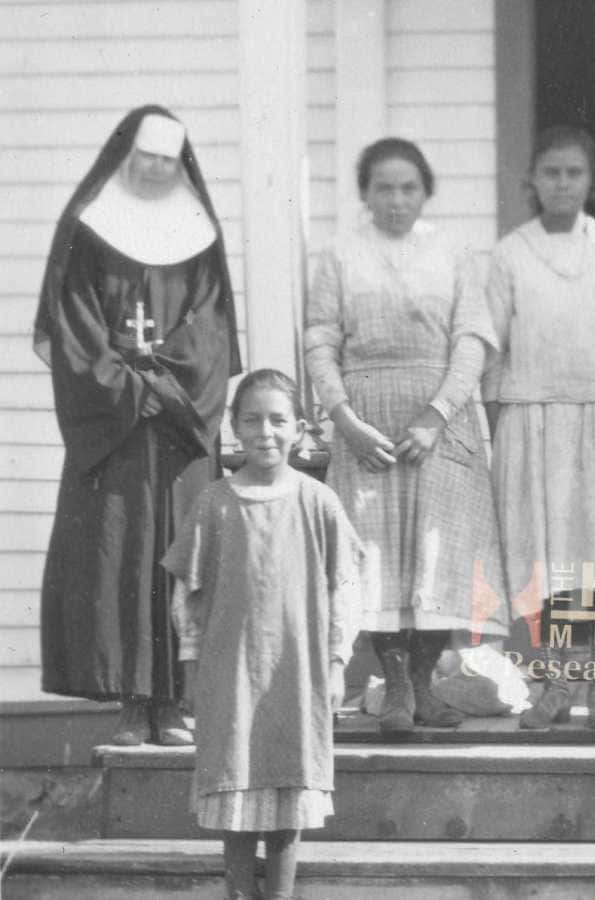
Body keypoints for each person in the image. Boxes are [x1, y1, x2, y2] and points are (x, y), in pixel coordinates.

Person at [34, 105, 240, 745]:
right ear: (127, 156)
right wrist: (131, 387)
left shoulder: (198, 233)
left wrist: (161, 386)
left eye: (167, 157)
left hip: (177, 428)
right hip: (116, 430)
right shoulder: (90, 229)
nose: (156, 167)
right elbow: (74, 329)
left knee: (184, 556)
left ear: (182, 162)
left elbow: (211, 328)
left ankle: (175, 706)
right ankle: (130, 706)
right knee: (118, 554)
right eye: (145, 155)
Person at [305, 138, 509, 734]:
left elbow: (471, 339)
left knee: (437, 552)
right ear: (364, 193)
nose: (397, 200)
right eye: (384, 188)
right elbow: (321, 340)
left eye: (409, 188)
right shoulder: (341, 255)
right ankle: (395, 687)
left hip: (438, 421)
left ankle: (425, 685)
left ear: (426, 192)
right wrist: (344, 418)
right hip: (365, 420)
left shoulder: (451, 252)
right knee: (373, 555)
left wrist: (438, 414)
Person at [164, 369, 362, 900]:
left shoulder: (319, 502)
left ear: (300, 428)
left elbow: (345, 588)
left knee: (287, 793)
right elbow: (188, 595)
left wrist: (338, 661)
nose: (266, 432)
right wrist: (190, 667)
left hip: (297, 673)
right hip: (231, 675)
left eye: (278, 420)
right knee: (234, 787)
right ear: (233, 427)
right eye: (252, 419)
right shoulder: (214, 503)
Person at [484, 126, 595, 730]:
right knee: (548, 559)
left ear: (592, 181)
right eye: (551, 172)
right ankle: (558, 682)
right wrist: (492, 429)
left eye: (574, 173)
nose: (562, 183)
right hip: (532, 420)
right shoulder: (509, 253)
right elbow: (492, 348)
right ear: (532, 180)